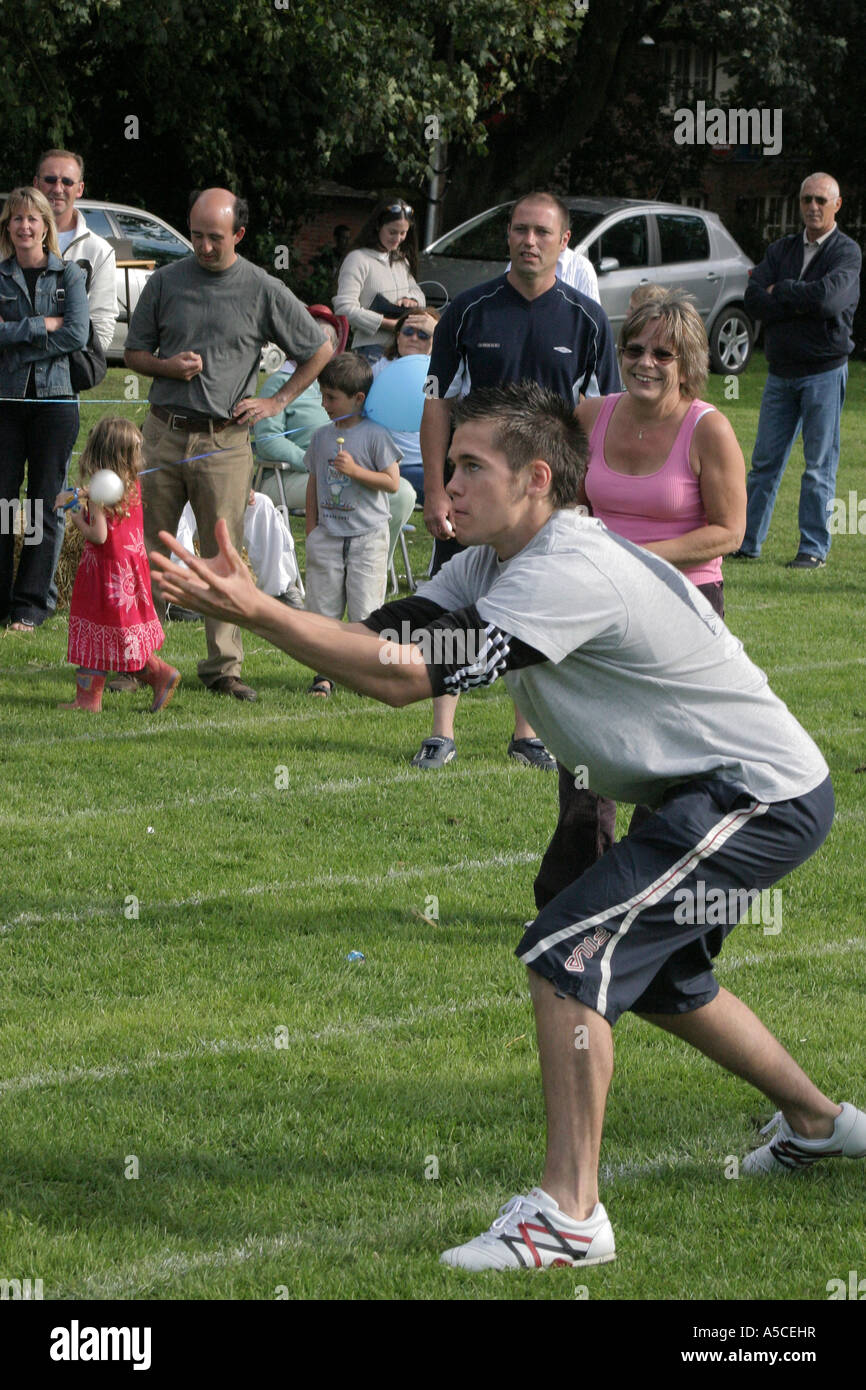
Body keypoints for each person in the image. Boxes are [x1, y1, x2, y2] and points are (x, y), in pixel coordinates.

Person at [151, 381, 864, 1271]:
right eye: (448, 466)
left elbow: (413, 675)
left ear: (536, 478)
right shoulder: (492, 562)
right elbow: (387, 638)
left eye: (469, 468)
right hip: (705, 794)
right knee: (665, 983)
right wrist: (266, 605)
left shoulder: (567, 568)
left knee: (568, 955)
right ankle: (819, 1125)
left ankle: (570, 1217)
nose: (445, 484)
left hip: (758, 795)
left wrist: (259, 614)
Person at [534, 288, 746, 906]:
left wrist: (634, 558)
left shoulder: (709, 428)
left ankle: (649, 889)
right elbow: (565, 496)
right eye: (636, 349)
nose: (647, 362)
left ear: (688, 364)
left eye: (665, 353)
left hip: (683, 603)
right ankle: (572, 893)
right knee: (584, 747)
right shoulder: (591, 414)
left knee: (666, 755)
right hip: (596, 602)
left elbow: (728, 532)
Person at [418, 189, 620, 772]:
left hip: (545, 500)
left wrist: (579, 494)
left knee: (540, 608)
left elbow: (595, 415)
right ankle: (441, 730)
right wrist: (436, 488)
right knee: (451, 607)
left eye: (541, 232)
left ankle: (528, 732)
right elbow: (436, 406)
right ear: (507, 235)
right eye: (519, 230)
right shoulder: (467, 311)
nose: (529, 241)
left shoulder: (588, 319)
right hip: (472, 488)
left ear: (564, 242)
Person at [125, 186, 333, 701]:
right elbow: (132, 353)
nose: (202, 246)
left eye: (214, 238)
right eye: (195, 235)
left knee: (223, 552)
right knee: (149, 548)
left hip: (225, 440)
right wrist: (167, 366)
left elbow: (320, 347)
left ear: (238, 234)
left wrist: (276, 400)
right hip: (163, 431)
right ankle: (138, 658)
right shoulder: (166, 282)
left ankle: (223, 668)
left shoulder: (262, 287)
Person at [734, 172, 861, 569]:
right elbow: (753, 298)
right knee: (764, 464)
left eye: (821, 200)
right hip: (780, 372)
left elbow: (827, 300)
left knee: (818, 466)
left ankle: (812, 549)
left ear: (837, 205)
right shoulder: (781, 249)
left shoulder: (847, 253)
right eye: (807, 199)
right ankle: (746, 542)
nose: (813, 207)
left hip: (824, 371)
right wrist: (794, 298)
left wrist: (783, 292)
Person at [33, 149, 120, 617]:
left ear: (80, 188)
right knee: (8, 492)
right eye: (50, 179)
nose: (58, 188)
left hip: (61, 385)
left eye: (68, 181)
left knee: (50, 492)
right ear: (37, 181)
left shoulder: (96, 250)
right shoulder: (13, 235)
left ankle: (38, 597)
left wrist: (43, 341)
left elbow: (100, 333)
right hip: (11, 385)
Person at [0, 187, 88, 630]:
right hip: (7, 404)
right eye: (16, 219)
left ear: (45, 226)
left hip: (55, 404)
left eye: (32, 219)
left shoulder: (68, 274)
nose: (25, 226)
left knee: (42, 504)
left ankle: (31, 604)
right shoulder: (0, 275)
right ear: (8, 227)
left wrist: (16, 338)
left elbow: (76, 335)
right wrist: (39, 327)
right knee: (1, 501)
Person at [56, 417, 179, 713]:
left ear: (98, 450)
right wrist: (82, 495)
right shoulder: (129, 481)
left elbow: (98, 535)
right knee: (121, 632)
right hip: (129, 569)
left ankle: (158, 675)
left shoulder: (101, 485)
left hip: (104, 572)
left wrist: (75, 514)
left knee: (100, 628)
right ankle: (94, 697)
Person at [302, 352, 400, 696]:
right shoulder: (321, 437)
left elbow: (392, 482)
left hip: (367, 536)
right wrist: (312, 530)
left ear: (358, 398)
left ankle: (365, 674)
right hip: (328, 535)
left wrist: (355, 471)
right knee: (323, 607)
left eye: (332, 397)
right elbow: (314, 482)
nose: (325, 403)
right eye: (323, 395)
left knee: (365, 608)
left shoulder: (375, 435)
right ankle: (325, 675)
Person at [253, 304, 349, 514]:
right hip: (286, 477)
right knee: (356, 488)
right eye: (312, 338)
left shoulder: (340, 387)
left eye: (325, 342)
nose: (318, 348)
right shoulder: (278, 383)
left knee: (401, 492)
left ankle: (374, 548)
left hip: (340, 471)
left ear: (332, 350)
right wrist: (313, 462)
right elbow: (268, 440)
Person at [175, 489, 304, 609]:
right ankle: (180, 594)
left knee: (261, 504)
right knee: (179, 508)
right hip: (185, 494)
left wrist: (241, 486)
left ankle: (279, 590)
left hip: (221, 491)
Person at [332, 198, 426, 360]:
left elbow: (419, 293)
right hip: (371, 351)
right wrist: (386, 323)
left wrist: (411, 300)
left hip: (402, 350)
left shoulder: (400, 261)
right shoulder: (358, 259)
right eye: (392, 232)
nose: (398, 238)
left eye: (403, 233)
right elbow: (343, 308)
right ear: (377, 226)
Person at [371, 307, 441, 503]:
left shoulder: (439, 371)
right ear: (398, 337)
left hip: (433, 462)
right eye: (408, 332)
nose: (414, 338)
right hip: (396, 465)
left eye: (424, 335)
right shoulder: (380, 369)